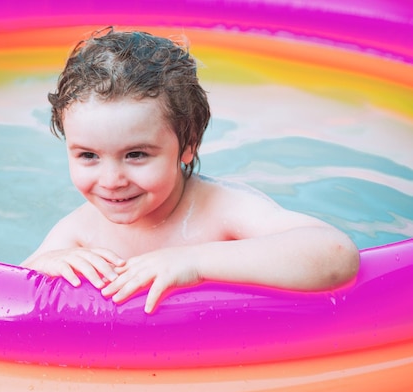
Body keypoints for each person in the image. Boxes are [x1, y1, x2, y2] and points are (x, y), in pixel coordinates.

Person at [21, 27, 359, 314]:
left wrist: (194, 263)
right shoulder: (79, 231)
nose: (111, 181)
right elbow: (11, 297)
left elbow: (335, 255)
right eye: (88, 156)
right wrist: (41, 268)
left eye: (136, 154)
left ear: (188, 145)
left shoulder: (223, 210)